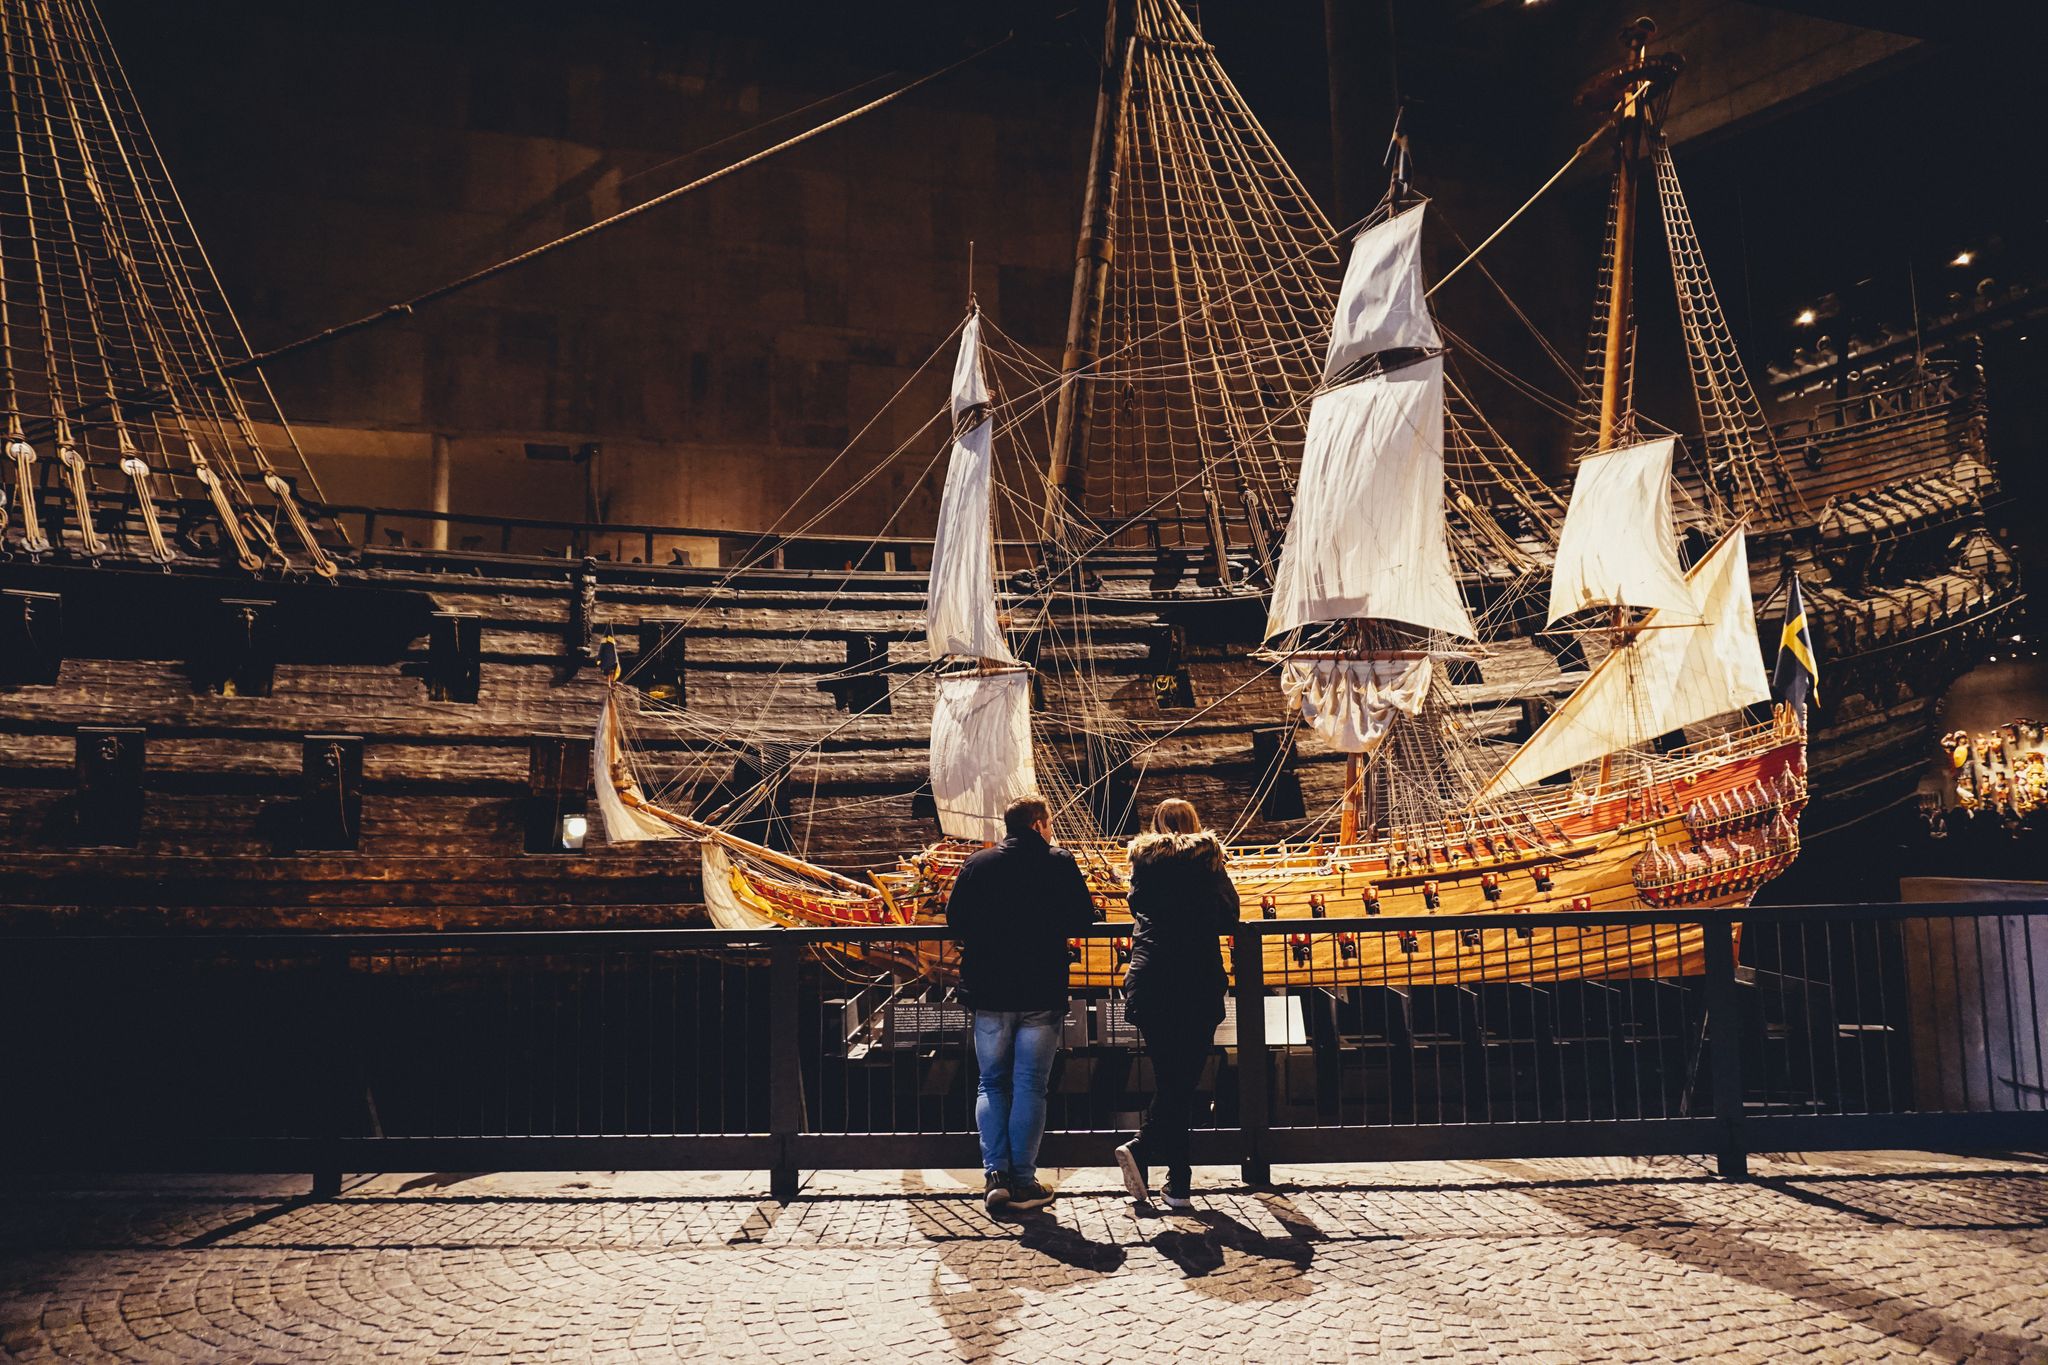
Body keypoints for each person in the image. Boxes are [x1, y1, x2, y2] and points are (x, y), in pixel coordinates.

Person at [946, 792, 1100, 1214]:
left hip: (990, 991)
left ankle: (995, 1174)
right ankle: (1024, 1180)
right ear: (1038, 824)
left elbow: (955, 920)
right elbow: (1083, 919)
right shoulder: (1059, 861)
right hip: (1040, 990)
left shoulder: (979, 864)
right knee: (1031, 1084)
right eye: (1049, 822)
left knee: (991, 1082)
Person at [1114, 798, 1238, 1209]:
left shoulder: (1144, 861)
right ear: (1196, 823)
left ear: (1156, 824)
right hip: (1197, 978)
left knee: (1172, 1080)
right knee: (1182, 1082)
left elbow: (1137, 906)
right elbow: (1229, 917)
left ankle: (1173, 1177)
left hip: (1152, 978)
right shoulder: (1209, 860)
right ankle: (1159, 1163)